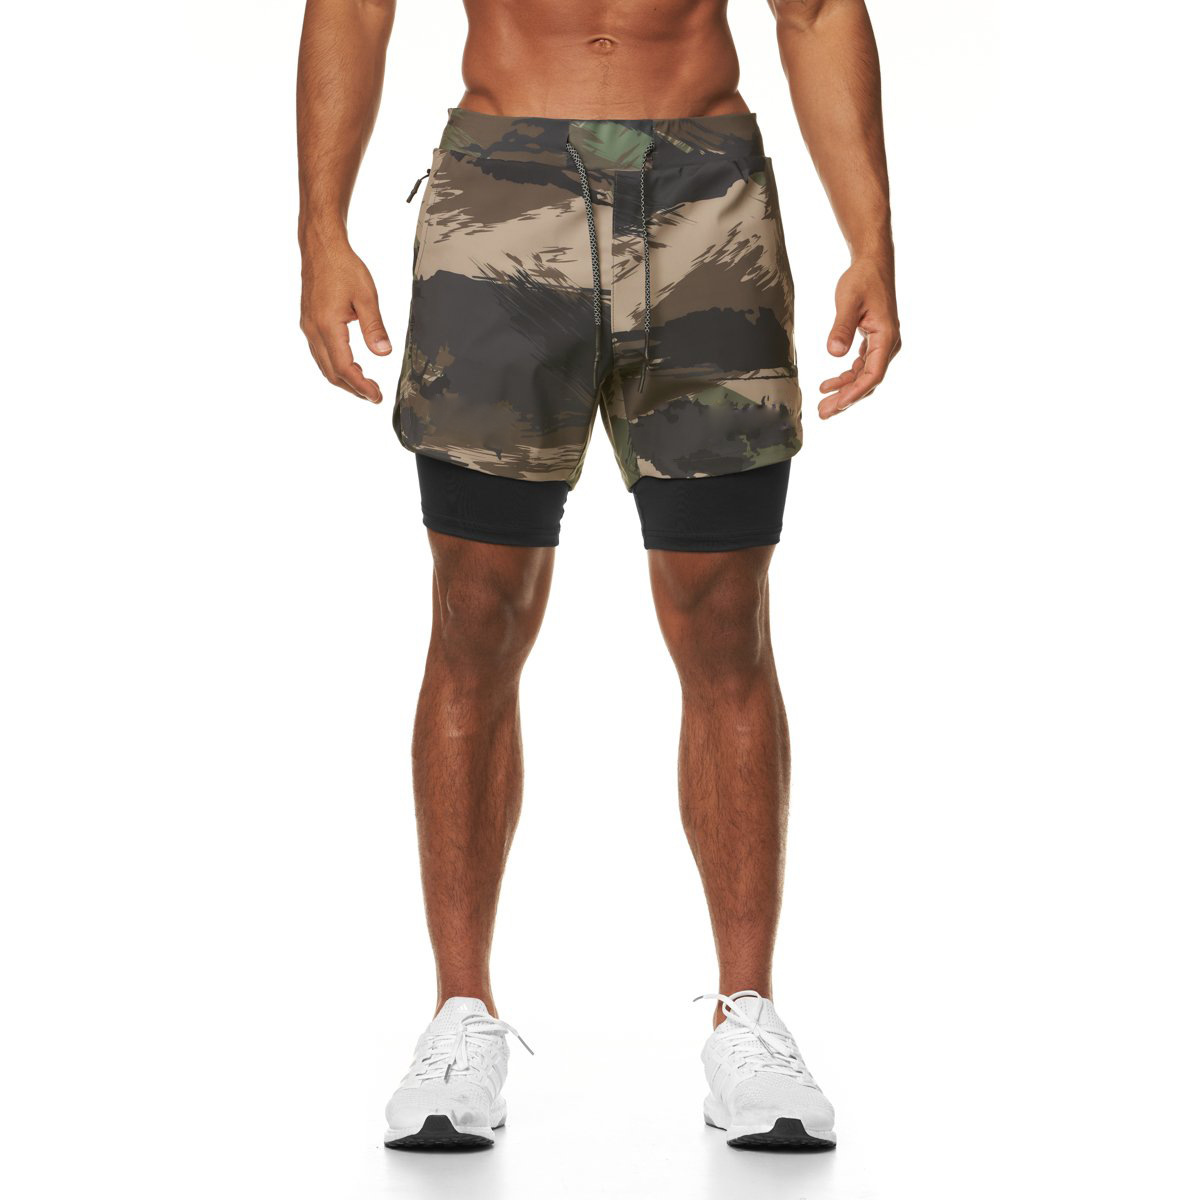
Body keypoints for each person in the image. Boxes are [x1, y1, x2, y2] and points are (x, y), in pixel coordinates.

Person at [297, 0, 899, 1151]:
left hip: (706, 197)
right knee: (475, 611)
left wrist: (872, 238)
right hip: (500, 197)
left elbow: (815, 10)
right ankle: (459, 1015)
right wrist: (320, 229)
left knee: (726, 617)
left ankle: (747, 1015)